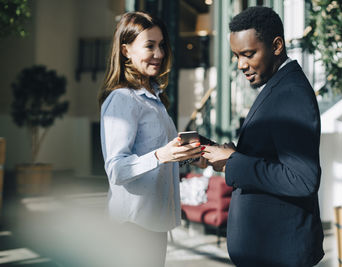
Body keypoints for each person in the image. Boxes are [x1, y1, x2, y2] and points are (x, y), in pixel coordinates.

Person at [202, 6, 324, 267]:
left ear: (277, 45)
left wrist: (234, 161)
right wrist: (229, 156)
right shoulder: (278, 86)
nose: (241, 65)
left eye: (248, 54)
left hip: (278, 255)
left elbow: (302, 179)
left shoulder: (291, 94)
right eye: (236, 56)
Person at [98, 11, 202, 267]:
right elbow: (116, 169)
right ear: (126, 50)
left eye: (161, 45)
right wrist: (160, 156)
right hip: (133, 227)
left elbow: (161, 153)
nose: (159, 53)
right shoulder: (123, 99)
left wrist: (188, 156)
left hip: (153, 224)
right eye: (149, 45)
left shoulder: (154, 98)